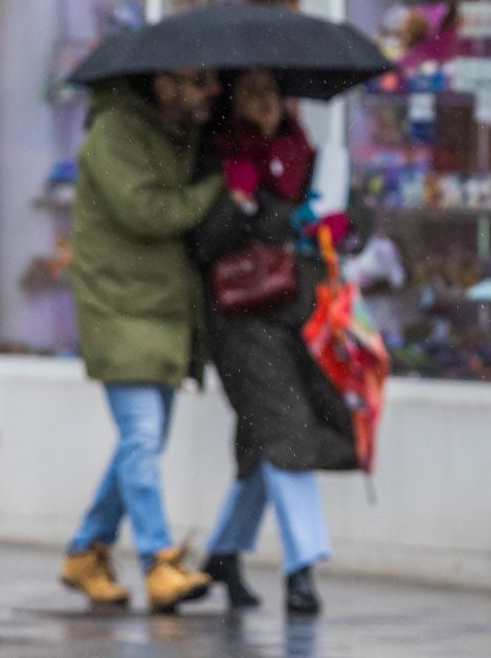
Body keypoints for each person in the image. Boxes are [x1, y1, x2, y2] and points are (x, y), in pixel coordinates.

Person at [59, 67, 228, 613]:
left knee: (143, 443)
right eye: (192, 80)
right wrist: (218, 186)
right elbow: (148, 211)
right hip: (120, 307)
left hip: (161, 309)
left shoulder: (175, 133)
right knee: (141, 436)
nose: (202, 91)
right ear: (158, 80)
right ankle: (160, 559)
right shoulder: (113, 134)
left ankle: (86, 550)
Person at [193, 68, 359, 616]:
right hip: (242, 317)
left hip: (302, 312)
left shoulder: (304, 151)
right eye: (252, 92)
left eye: (272, 91)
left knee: (264, 437)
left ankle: (223, 551)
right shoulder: (217, 155)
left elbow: (347, 223)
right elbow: (205, 240)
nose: (264, 103)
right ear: (235, 98)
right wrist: (244, 206)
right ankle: (302, 567)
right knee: (287, 426)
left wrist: (336, 221)